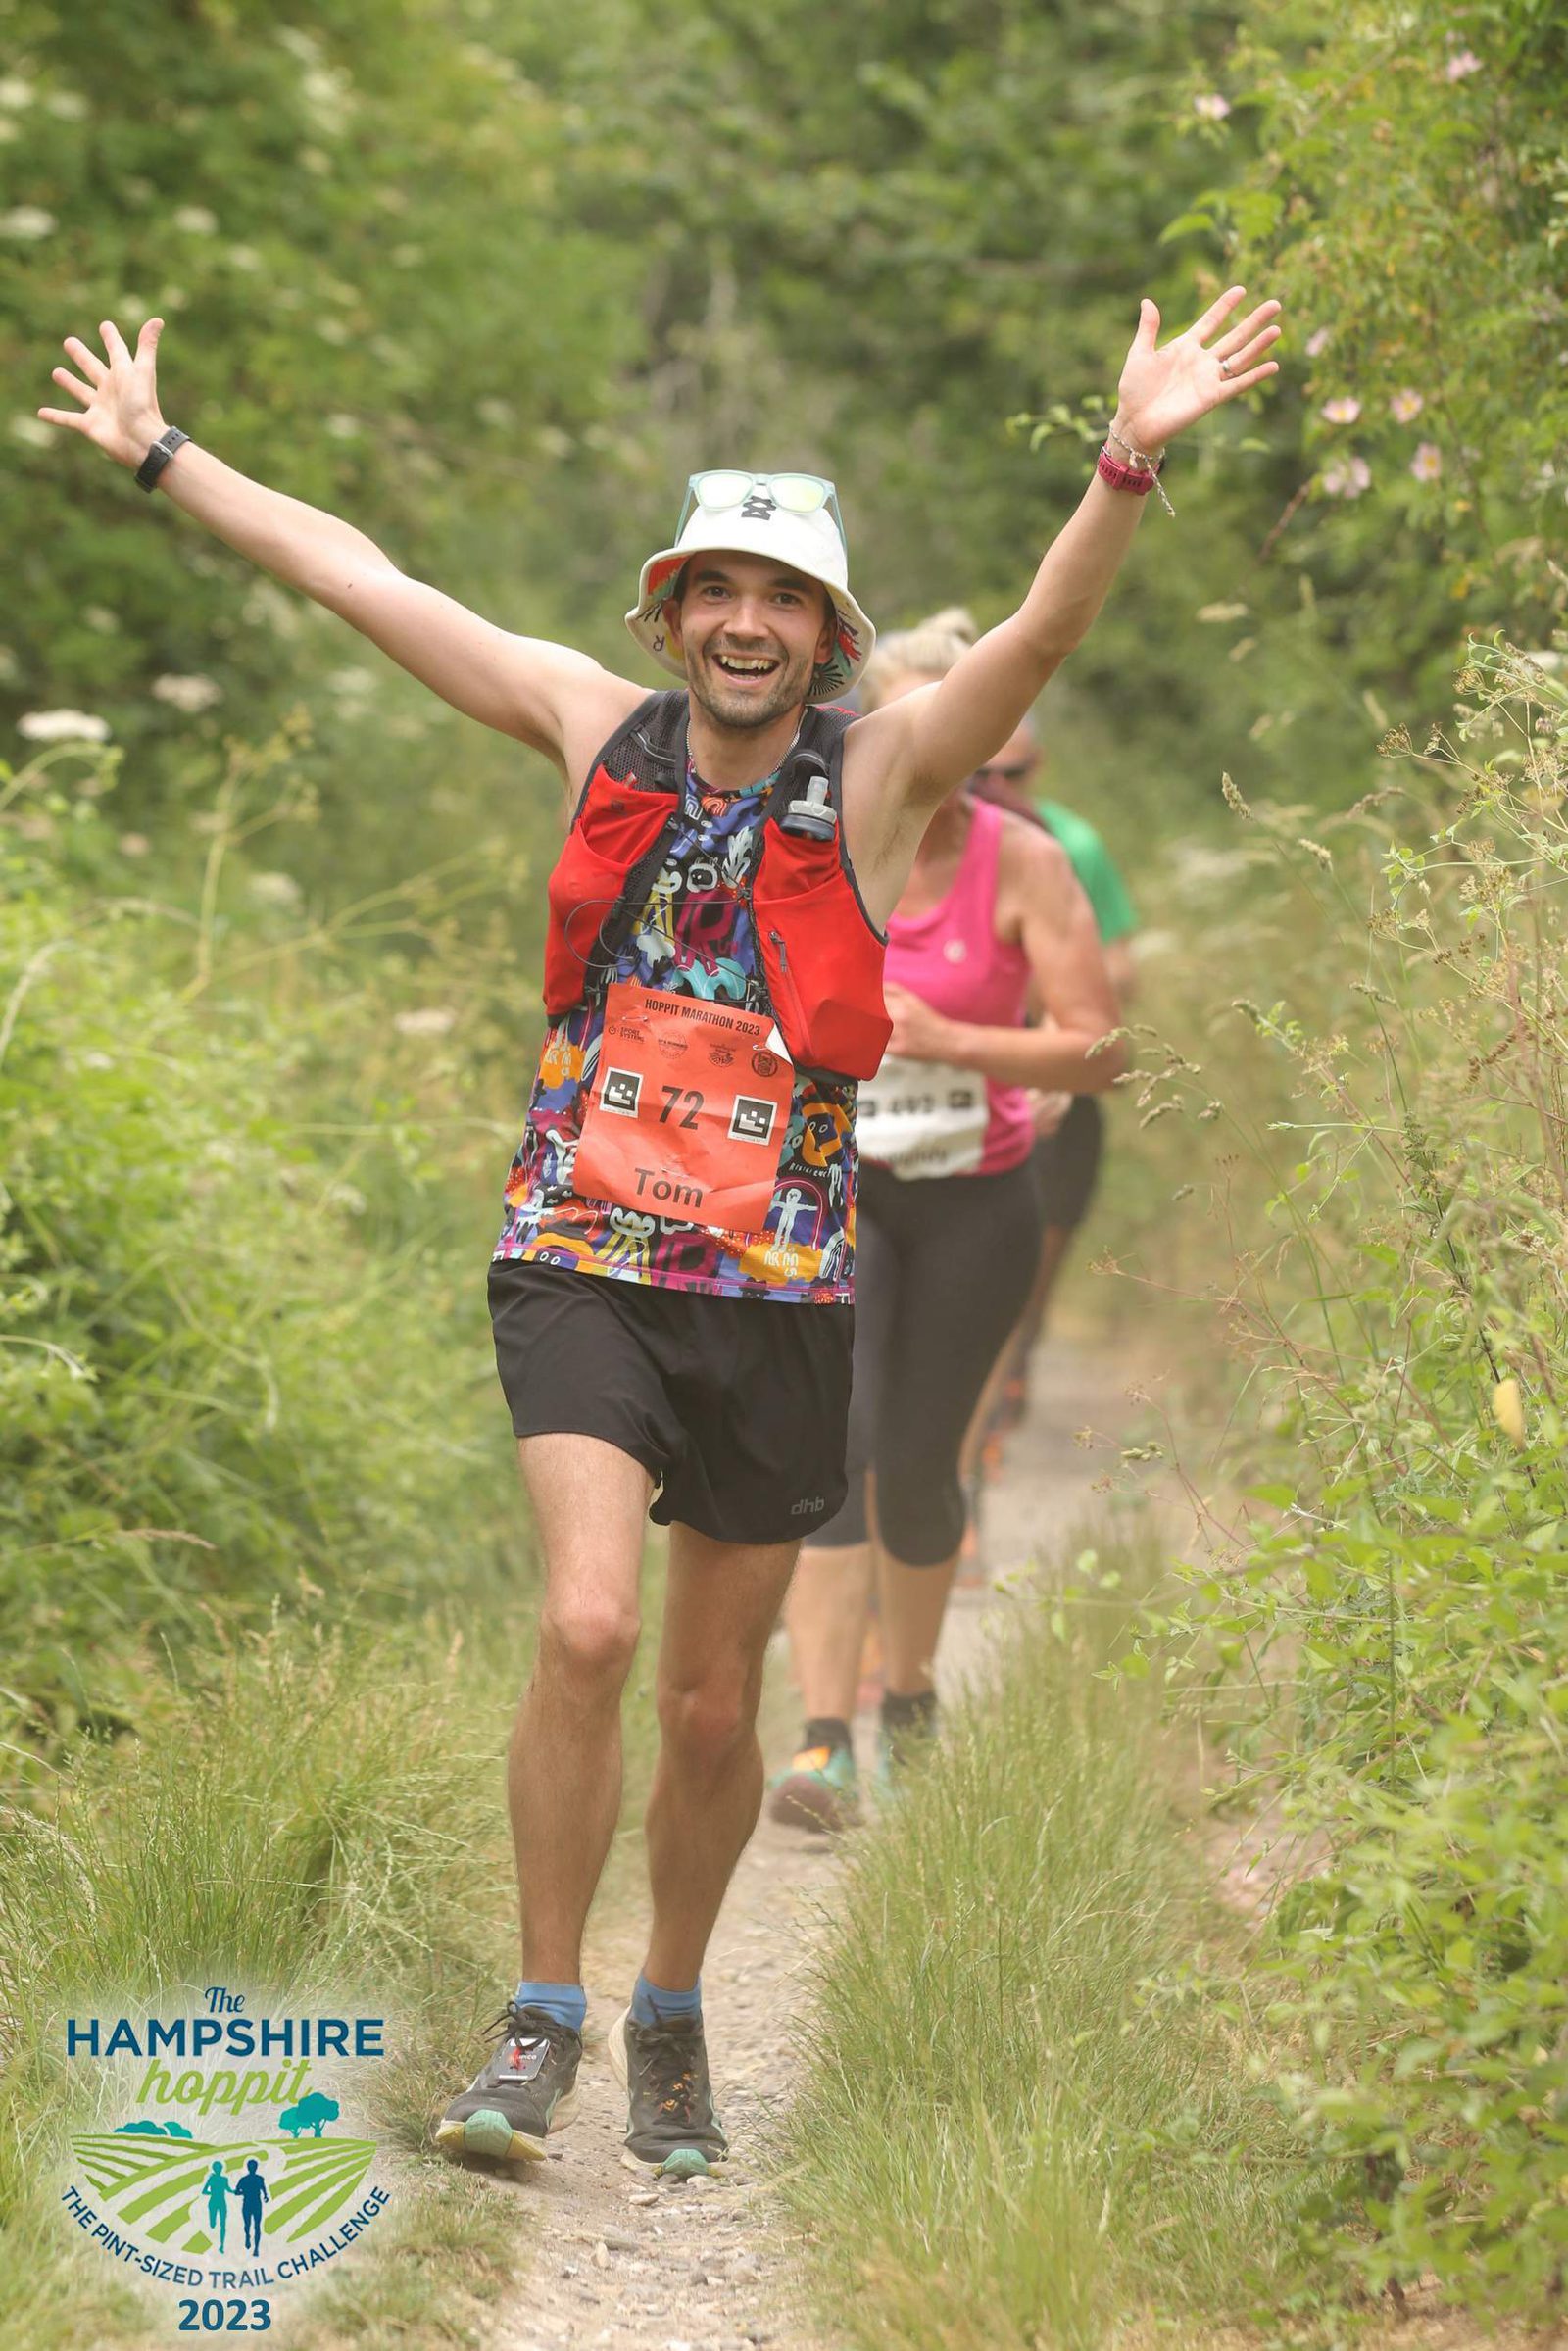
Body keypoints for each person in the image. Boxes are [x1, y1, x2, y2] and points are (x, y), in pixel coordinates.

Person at [40, 287, 1281, 2174]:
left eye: (784, 598)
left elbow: (1041, 632)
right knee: (591, 1617)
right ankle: (539, 2015)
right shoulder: (586, 720)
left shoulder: (881, 773)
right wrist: (162, 454)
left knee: (715, 1703)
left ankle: (672, 2008)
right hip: (581, 1252)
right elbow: (363, 578)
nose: (747, 622)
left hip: (780, 1285)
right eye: (718, 587)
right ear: (671, 607)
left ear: (828, 632)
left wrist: (1129, 456)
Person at [767, 613, 1121, 1832]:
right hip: (838, 1192)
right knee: (839, 1454)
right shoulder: (809, 846)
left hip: (977, 1201)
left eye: (952, 729)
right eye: (902, 727)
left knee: (920, 1470)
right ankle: (822, 1743)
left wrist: (953, 1038)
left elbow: (1103, 1052)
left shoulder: (1021, 861)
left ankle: (908, 1698)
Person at [966, 723, 1140, 1459]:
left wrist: (1050, 1017)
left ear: (1036, 765)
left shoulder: (1069, 844)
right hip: (955, 1084)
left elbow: (1119, 967)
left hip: (1049, 1078)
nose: (998, 785)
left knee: (1026, 1276)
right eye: (984, 768)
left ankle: (996, 1407)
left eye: (1013, 770)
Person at [235, 2158, 270, 2257]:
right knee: (249, 2225)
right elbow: (236, 2192)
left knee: (256, 2226)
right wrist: (244, 2192)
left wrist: (265, 2196)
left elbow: (263, 2189)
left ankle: (256, 2248)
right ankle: (247, 2236)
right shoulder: (245, 2179)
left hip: (254, 2204)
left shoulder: (257, 2179)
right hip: (250, 2203)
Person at [202, 2161, 231, 2254]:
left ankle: (222, 2246)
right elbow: (204, 2191)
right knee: (212, 2224)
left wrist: (236, 2191)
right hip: (213, 2202)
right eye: (218, 2168)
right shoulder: (211, 2179)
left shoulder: (224, 2179)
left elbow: (228, 2189)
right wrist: (213, 2193)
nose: (219, 2169)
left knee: (223, 2224)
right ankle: (213, 2228)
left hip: (222, 2203)